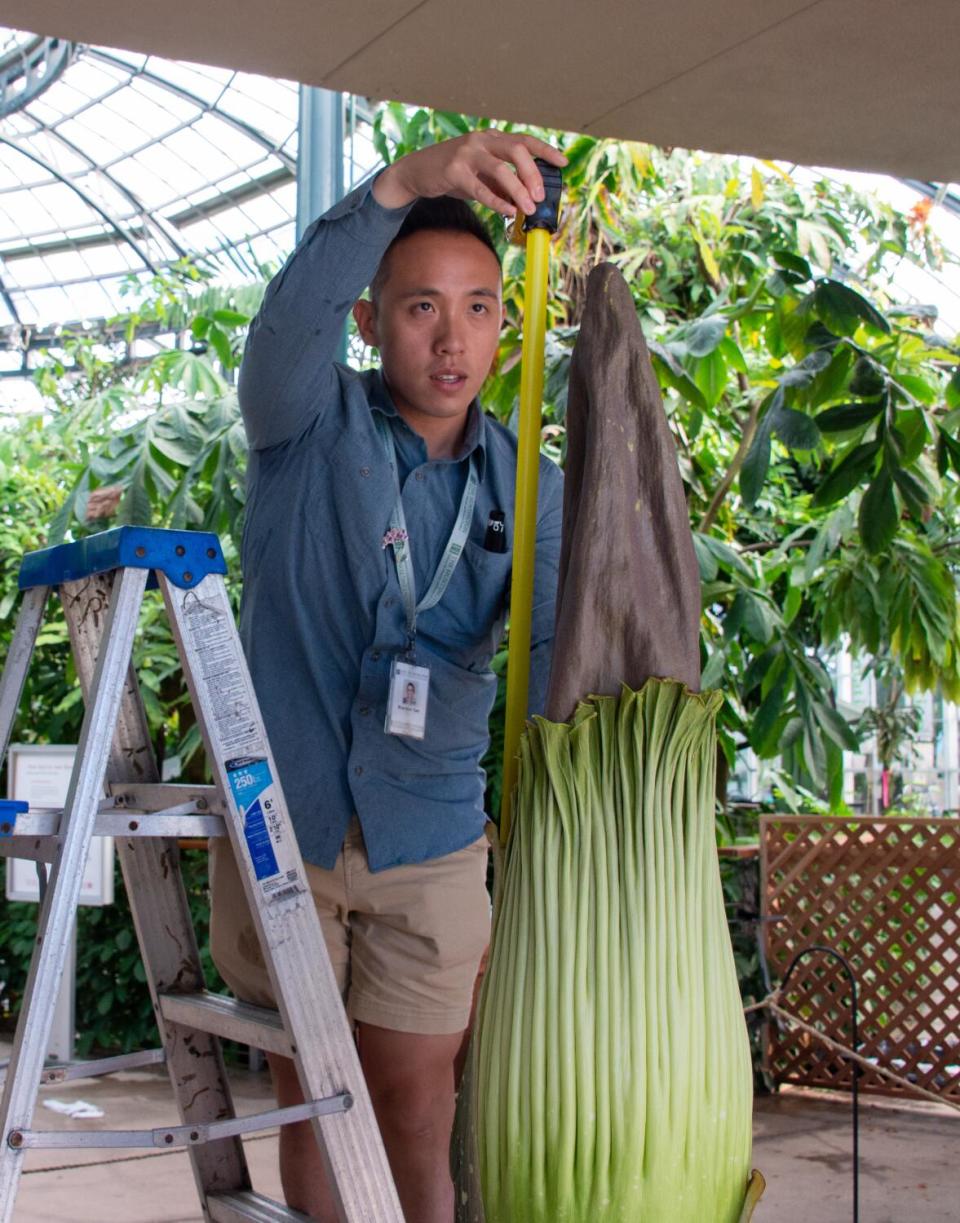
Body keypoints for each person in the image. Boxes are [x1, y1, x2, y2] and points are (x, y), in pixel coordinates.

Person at [209, 130, 566, 1222]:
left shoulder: (530, 487)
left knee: (417, 1099)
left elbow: (549, 653)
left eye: (477, 306)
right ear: (370, 322)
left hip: (432, 838)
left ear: (507, 324)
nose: (451, 338)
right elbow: (285, 326)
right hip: (288, 825)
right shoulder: (302, 424)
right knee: (314, 1092)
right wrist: (407, 184)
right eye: (419, 306)